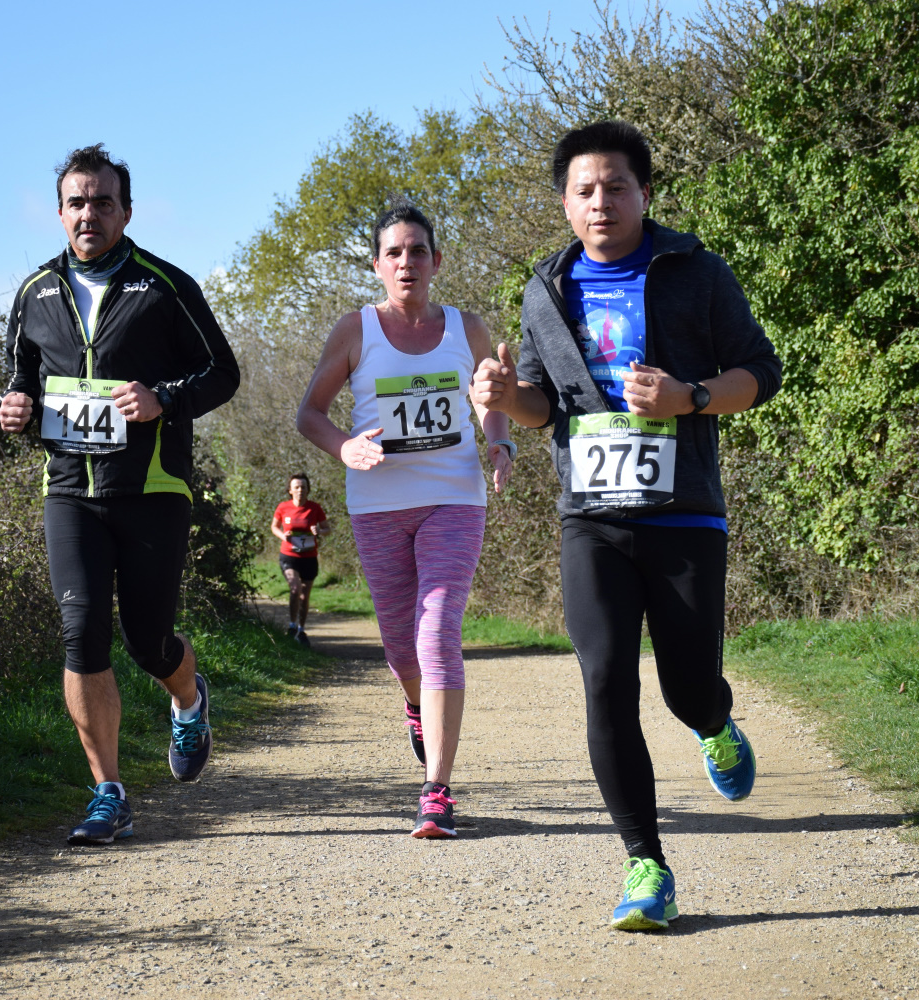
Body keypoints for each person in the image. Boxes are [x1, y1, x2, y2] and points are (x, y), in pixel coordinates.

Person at [470, 121, 782, 928]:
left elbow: (763, 370)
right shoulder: (546, 290)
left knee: (685, 688)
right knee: (606, 678)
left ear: (645, 193)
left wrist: (691, 397)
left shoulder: (697, 271)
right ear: (565, 204)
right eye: (584, 190)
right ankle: (646, 864)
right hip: (592, 516)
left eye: (616, 187)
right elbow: (541, 406)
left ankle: (713, 720)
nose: (600, 202)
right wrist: (504, 398)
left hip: (684, 514)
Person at [0, 144, 239, 846]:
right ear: (59, 213)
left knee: (147, 639)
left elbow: (222, 372)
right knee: (81, 633)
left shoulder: (164, 286)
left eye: (103, 202)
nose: (89, 214)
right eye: (77, 202)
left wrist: (163, 398)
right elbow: (21, 379)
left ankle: (188, 699)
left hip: (151, 488)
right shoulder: (35, 293)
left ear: (126, 211)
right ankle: (109, 793)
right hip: (69, 490)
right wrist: (14, 406)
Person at [297, 203, 514, 838]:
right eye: (394, 252)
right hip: (378, 506)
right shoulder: (355, 330)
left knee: (437, 629)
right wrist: (344, 448)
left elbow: (489, 400)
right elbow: (309, 413)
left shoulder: (467, 328)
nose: (406, 262)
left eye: (418, 250)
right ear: (376, 265)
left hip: (454, 497)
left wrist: (498, 442)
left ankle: (436, 790)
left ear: (436, 261)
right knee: (400, 645)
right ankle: (416, 704)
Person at [271, 472, 330, 645]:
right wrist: (284, 536)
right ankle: (291, 625)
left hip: (309, 557)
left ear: (308, 489)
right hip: (289, 556)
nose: (300, 490)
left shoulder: (314, 508)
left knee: (304, 596)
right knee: (295, 588)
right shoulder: (283, 507)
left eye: (303, 487)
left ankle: (301, 630)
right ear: (290, 490)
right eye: (296, 487)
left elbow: (327, 529)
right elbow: (274, 527)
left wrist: (319, 531)